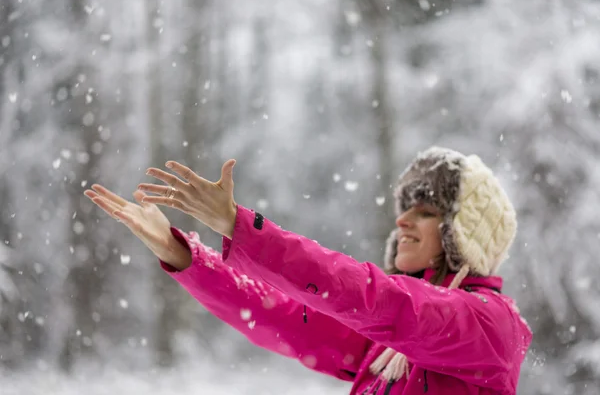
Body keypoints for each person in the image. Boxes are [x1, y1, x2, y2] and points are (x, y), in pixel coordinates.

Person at [84, 146, 532, 395]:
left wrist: (240, 227)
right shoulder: (384, 347)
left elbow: (374, 297)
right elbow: (281, 313)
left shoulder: (489, 325)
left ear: (462, 234)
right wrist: (182, 254)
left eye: (427, 210)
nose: (403, 220)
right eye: (404, 207)